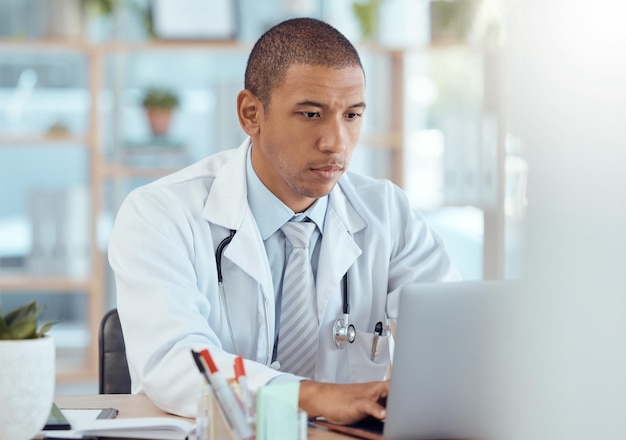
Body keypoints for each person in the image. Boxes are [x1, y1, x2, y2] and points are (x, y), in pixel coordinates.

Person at [108, 17, 460, 424]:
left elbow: (455, 337)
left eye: (352, 116)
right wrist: (313, 397)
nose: (335, 143)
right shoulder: (159, 214)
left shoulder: (387, 211)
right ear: (250, 113)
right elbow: (174, 363)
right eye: (311, 114)